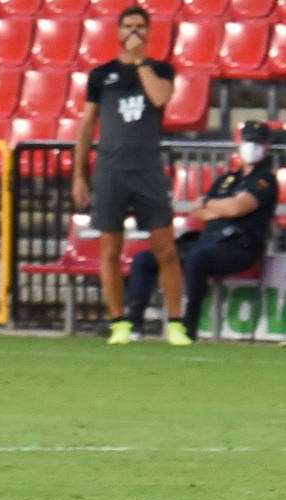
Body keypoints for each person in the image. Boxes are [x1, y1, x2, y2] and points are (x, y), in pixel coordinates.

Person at [72, 5, 191, 346]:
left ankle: (175, 323)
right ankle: (119, 322)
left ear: (149, 32)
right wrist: (79, 175)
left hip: (148, 170)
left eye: (140, 26)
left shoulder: (161, 69)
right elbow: (86, 126)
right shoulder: (101, 75)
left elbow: (160, 97)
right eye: (128, 26)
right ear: (118, 32)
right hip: (111, 170)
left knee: (165, 249)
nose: (134, 32)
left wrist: (140, 63)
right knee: (110, 249)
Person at [123, 122, 279, 342]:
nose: (251, 146)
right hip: (208, 240)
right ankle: (134, 322)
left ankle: (190, 323)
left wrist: (213, 206)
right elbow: (199, 210)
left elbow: (237, 208)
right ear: (239, 142)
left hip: (240, 246)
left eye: (257, 142)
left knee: (198, 257)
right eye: (248, 141)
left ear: (266, 147)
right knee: (145, 258)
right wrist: (221, 207)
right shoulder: (227, 179)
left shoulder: (265, 180)